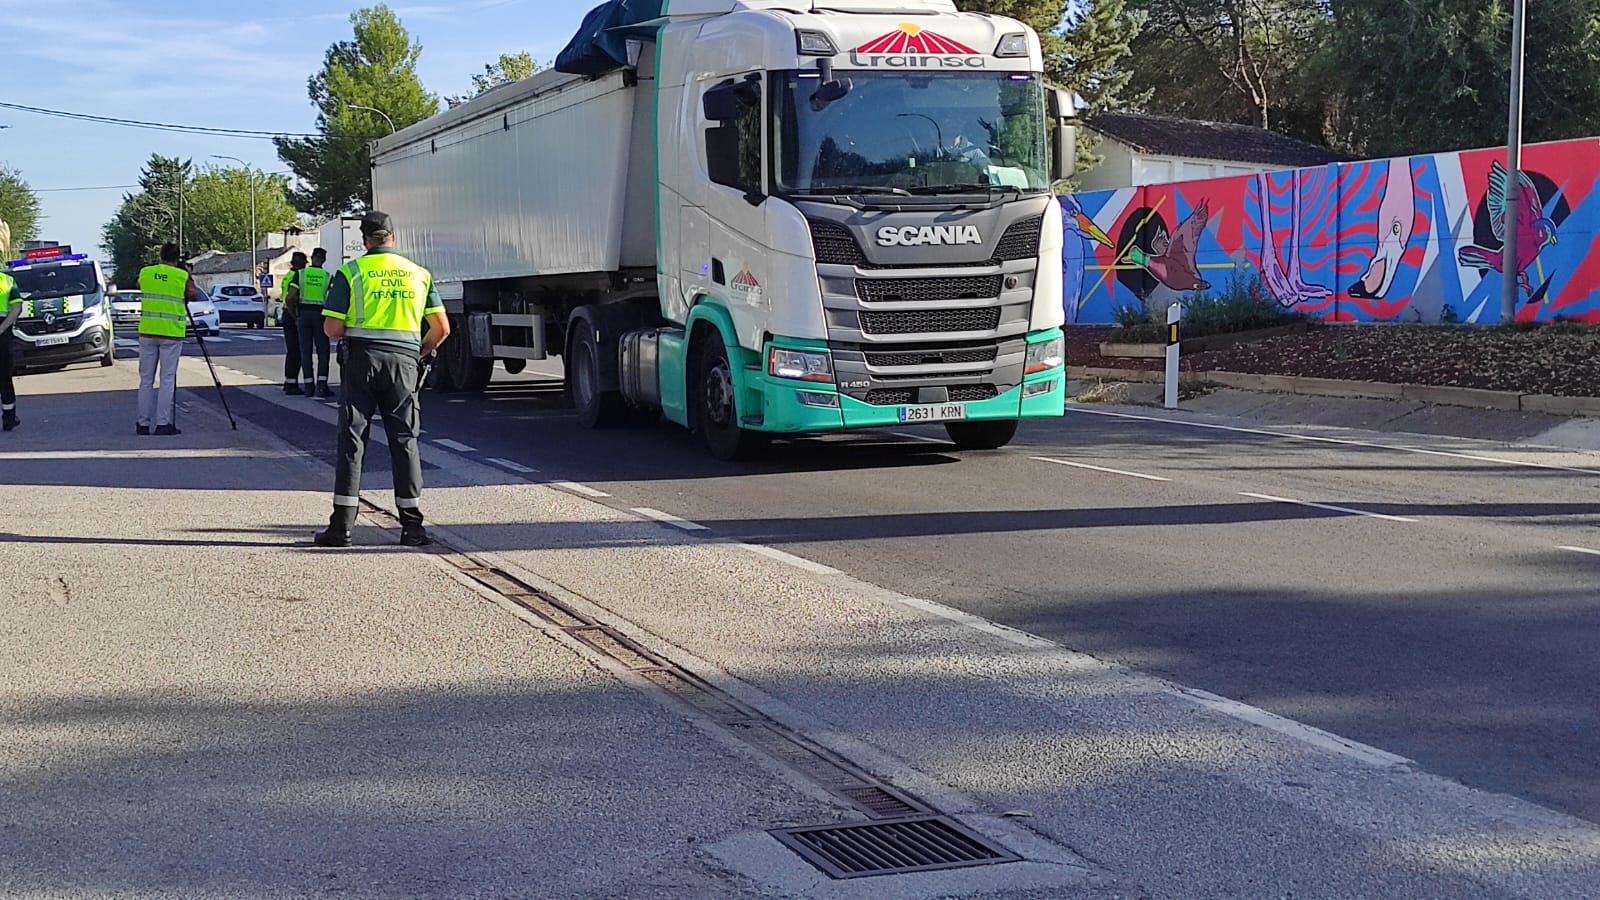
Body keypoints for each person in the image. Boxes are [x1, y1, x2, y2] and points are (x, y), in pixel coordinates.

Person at [314, 211, 451, 548]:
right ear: (393, 237)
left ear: (364, 241)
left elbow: (331, 329)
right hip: (404, 362)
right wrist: (417, 354)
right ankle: (412, 526)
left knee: (352, 440)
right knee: (405, 440)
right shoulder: (419, 274)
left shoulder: (351, 272)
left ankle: (342, 527)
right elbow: (442, 329)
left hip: (361, 360)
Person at [135, 244, 200, 436]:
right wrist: (186, 273)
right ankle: (163, 423)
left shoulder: (146, 272)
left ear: (161, 255)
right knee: (167, 379)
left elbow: (141, 284)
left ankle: (142, 423)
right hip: (171, 333)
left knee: (146, 380)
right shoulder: (181, 276)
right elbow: (193, 295)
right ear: (177, 258)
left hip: (147, 331)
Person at [295, 247, 334, 398]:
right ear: (324, 260)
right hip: (320, 315)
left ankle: (308, 386)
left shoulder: (301, 274)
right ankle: (322, 386)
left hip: (304, 314)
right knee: (323, 351)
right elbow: (334, 297)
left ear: (311, 258)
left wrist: (295, 315)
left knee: (305, 351)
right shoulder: (328, 276)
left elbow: (291, 297)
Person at [0, 267, 23, 432]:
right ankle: (9, 419)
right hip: (2, 335)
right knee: (4, 378)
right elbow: (17, 309)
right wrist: (1, 329)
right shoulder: (7, 281)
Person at [280, 252, 305, 395]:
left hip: (288, 314)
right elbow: (290, 299)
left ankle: (289, 382)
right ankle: (291, 384)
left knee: (293, 350)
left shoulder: (288, 275)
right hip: (292, 314)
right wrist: (296, 317)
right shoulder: (295, 277)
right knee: (295, 351)